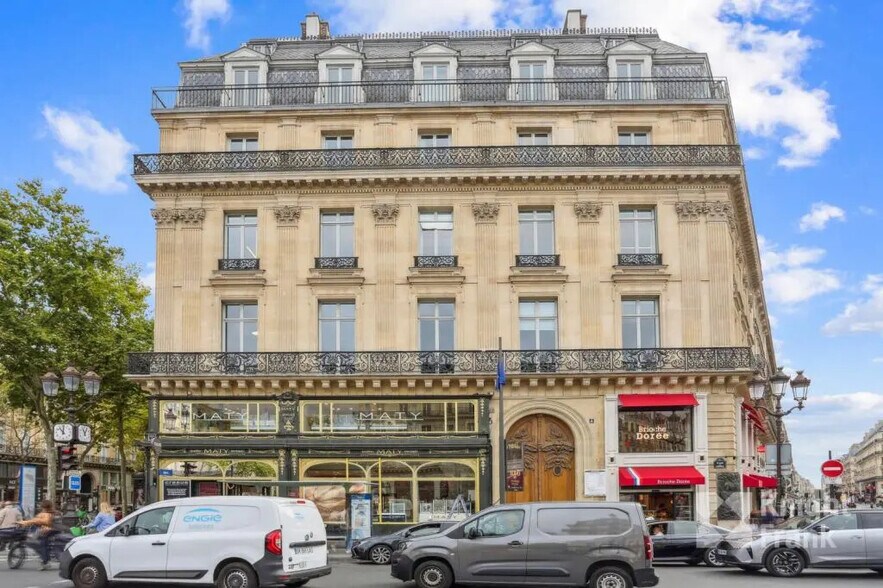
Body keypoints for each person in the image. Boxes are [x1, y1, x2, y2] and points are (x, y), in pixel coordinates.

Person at [19, 500, 57, 570]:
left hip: (46, 531)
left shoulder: (45, 514)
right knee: (42, 542)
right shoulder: (53, 512)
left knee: (42, 544)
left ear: (43, 506)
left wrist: (25, 522)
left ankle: (45, 562)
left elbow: (37, 520)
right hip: (52, 531)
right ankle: (45, 559)